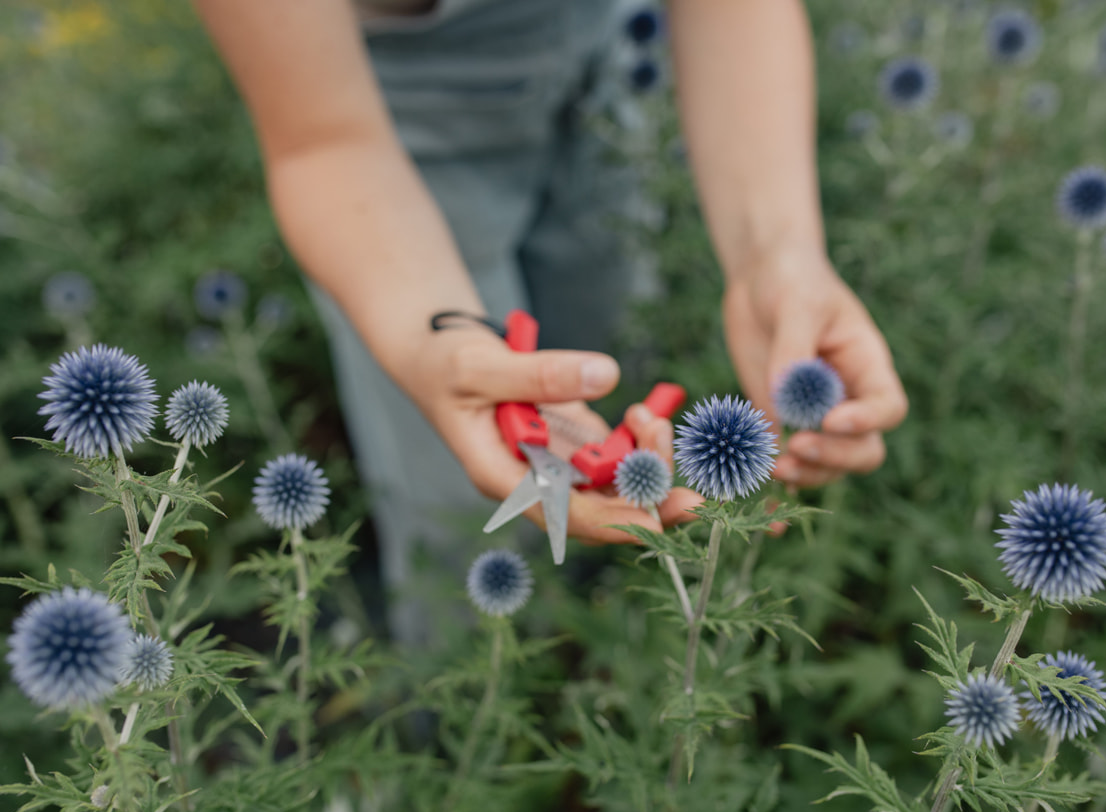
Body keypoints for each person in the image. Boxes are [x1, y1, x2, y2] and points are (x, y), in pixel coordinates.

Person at [192, 0, 908, 642]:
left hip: (614, 45)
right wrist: (435, 335)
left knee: (611, 354)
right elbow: (325, 142)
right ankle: (452, 733)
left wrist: (775, 258)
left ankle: (596, 635)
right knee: (461, 517)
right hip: (393, 128)